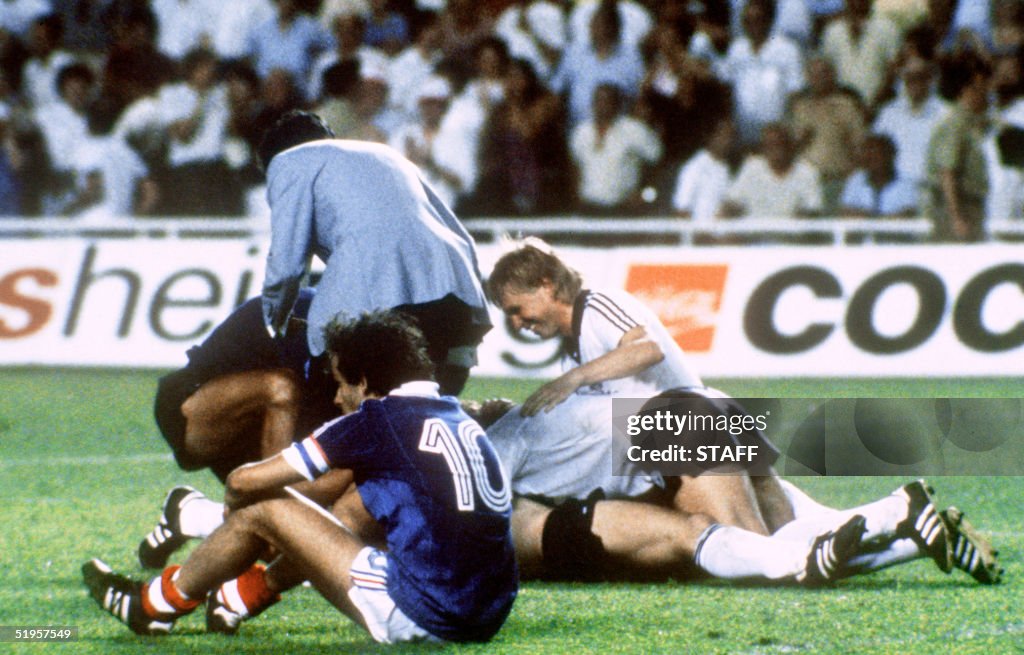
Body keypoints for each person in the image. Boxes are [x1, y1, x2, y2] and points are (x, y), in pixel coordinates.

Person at [483, 238, 1001, 585]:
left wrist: (574, 379)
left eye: (516, 307)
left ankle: (896, 515)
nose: (517, 322)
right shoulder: (579, 337)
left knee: (758, 553)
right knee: (799, 535)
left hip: (680, 426)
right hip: (700, 421)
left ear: (547, 286)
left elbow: (647, 349)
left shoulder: (596, 306)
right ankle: (908, 525)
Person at [84, 311, 519, 644]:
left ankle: (153, 606)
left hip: (428, 615)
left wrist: (242, 518)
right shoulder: (459, 417)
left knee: (265, 505)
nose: (335, 396)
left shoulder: (376, 421)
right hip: (489, 613)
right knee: (354, 508)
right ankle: (240, 596)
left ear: (364, 381)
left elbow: (243, 482)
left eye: (340, 383)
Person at [257, 110, 492, 396]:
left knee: (326, 392)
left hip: (376, 294)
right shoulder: (386, 154)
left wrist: (273, 325)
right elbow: (458, 233)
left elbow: (286, 265)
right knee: (434, 405)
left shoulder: (286, 161)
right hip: (452, 291)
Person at [140, 290, 338, 569]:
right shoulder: (303, 318)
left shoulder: (352, 331)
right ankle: (276, 527)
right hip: (195, 412)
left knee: (340, 474)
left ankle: (193, 516)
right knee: (281, 389)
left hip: (260, 432)